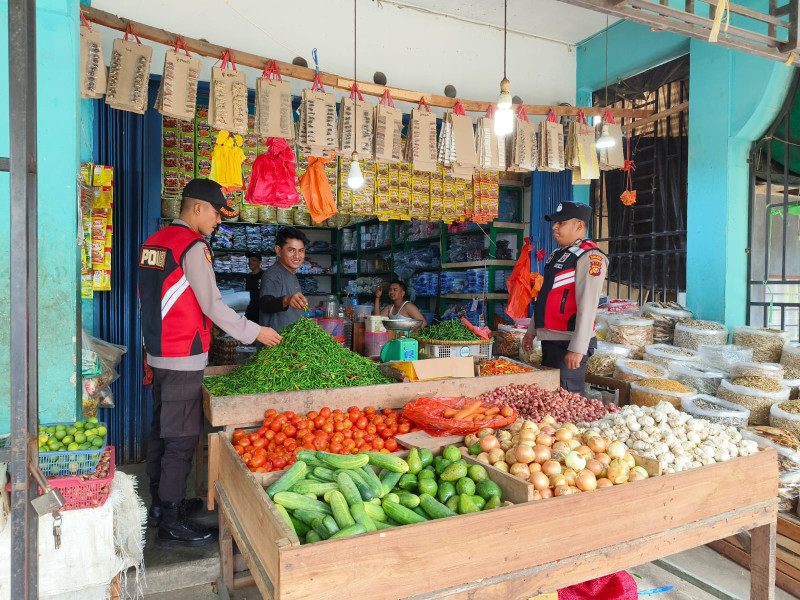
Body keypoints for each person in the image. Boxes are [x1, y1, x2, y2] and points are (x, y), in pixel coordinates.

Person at [138, 178, 282, 547]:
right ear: (197, 208)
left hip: (158, 352)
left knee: (161, 430)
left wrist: (147, 350)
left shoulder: (153, 243)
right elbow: (212, 304)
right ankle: (171, 522)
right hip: (183, 356)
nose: (218, 221)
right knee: (182, 438)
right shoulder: (192, 245)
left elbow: (148, 300)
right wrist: (253, 332)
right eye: (217, 213)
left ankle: (158, 504)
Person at [522, 201, 608, 393]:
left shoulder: (590, 256)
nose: (554, 226)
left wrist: (578, 347)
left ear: (579, 226)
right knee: (551, 395)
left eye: (561, 222)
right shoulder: (557, 255)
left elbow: (588, 305)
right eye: (555, 222)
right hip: (552, 338)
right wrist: (532, 330)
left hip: (569, 340)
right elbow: (545, 297)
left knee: (568, 397)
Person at [259, 226, 309, 331]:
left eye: (301, 251)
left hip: (291, 344)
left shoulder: (291, 273)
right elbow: (265, 303)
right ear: (278, 250)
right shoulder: (273, 274)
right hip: (276, 345)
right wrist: (286, 300)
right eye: (291, 250)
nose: (297, 256)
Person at [244, 252, 262, 322]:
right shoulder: (249, 276)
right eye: (249, 260)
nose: (250, 263)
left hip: (262, 309)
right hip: (252, 308)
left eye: (253, 260)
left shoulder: (264, 276)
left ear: (259, 263)